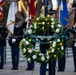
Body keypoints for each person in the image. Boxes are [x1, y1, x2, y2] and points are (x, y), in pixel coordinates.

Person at [55, 1, 75, 72]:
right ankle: (60, 67)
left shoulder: (66, 29)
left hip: (63, 41)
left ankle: (62, 67)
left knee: (62, 54)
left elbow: (68, 35)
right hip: (58, 40)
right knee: (59, 54)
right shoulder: (58, 29)